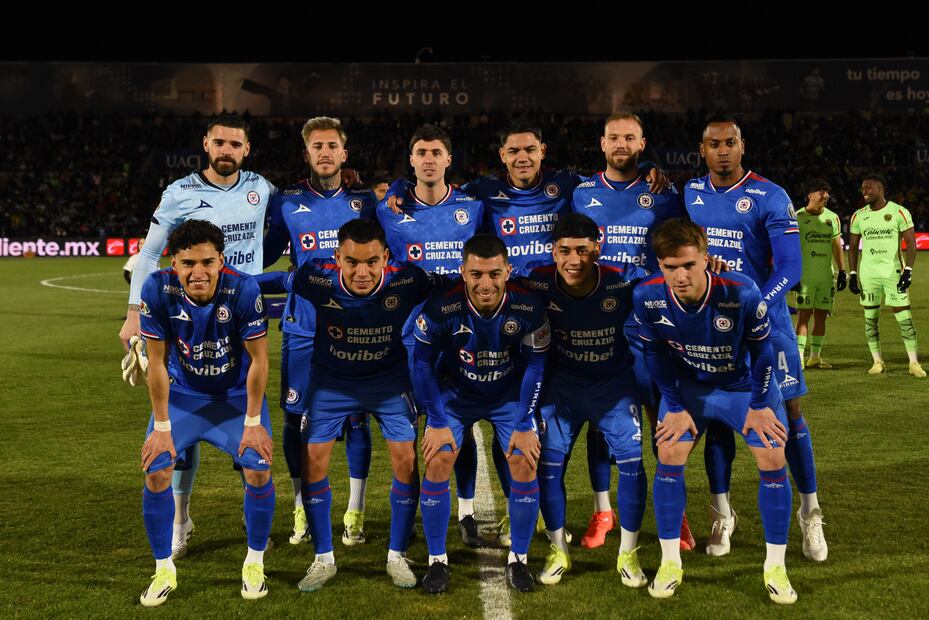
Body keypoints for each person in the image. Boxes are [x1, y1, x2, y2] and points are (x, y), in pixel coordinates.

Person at [120, 114, 277, 561]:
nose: (227, 149)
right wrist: (134, 313)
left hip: (243, 311)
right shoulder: (179, 193)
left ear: (247, 148)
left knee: (249, 414)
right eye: (219, 142)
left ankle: (253, 505)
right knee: (183, 424)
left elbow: (285, 229)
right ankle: (180, 517)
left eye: (236, 143)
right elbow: (151, 252)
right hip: (191, 314)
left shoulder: (261, 189)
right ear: (206, 144)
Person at [261, 218, 438, 592]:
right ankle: (323, 558)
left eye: (372, 262)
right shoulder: (315, 276)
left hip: (388, 382)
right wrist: (231, 287)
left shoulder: (408, 279)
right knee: (314, 461)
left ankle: (397, 554)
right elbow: (278, 282)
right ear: (337, 257)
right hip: (331, 383)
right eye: (353, 262)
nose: (362, 272)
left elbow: (454, 287)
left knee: (406, 460)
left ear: (385, 258)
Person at [685, 115, 827, 562]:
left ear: (742, 146)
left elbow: (790, 268)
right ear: (702, 149)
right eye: (714, 144)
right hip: (713, 330)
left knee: (790, 418)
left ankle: (810, 514)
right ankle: (723, 514)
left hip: (770, 327)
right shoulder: (689, 194)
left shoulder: (770, 195)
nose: (723, 150)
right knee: (718, 421)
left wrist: (758, 303)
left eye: (731, 142)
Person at [633, 218, 797, 604]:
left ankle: (776, 566)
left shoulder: (741, 291)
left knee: (772, 455)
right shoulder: (646, 296)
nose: (681, 275)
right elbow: (654, 353)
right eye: (671, 267)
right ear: (660, 265)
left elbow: (762, 352)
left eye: (689, 265)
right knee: (669, 451)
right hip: (690, 389)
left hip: (743, 388)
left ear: (706, 258)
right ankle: (670, 561)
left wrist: (758, 405)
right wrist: (672, 405)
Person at [572, 111, 693, 551]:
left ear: (642, 145)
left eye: (629, 138)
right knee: (601, 425)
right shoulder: (578, 191)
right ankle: (604, 511)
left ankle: (672, 513)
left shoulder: (663, 192)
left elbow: (686, 242)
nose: (621, 144)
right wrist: (395, 187)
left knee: (663, 422)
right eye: (613, 137)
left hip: (653, 329)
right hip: (598, 327)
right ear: (601, 144)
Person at [137, 220, 274, 606]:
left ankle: (254, 562)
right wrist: (162, 427)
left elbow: (260, 362)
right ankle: (164, 568)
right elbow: (157, 363)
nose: (198, 272)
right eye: (187, 263)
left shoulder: (244, 289)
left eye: (207, 262)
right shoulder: (156, 288)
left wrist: (252, 423)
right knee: (157, 469)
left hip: (234, 396)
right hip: (183, 396)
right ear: (173, 263)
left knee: (258, 466)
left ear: (221, 261)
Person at [262, 116, 377, 548]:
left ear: (344, 154)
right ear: (306, 153)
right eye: (317, 146)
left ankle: (355, 510)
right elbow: (264, 250)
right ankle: (301, 506)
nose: (325, 152)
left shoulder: (367, 202)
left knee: (356, 419)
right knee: (296, 419)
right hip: (304, 330)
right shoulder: (286, 202)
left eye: (333, 145)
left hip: (358, 327)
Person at [413, 233, 549, 594]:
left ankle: (518, 559)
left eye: (493, 274)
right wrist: (437, 422)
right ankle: (437, 562)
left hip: (508, 397)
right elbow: (422, 364)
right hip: (456, 396)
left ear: (507, 271)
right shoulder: (441, 307)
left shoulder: (529, 307)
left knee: (523, 460)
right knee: (439, 459)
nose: (485, 283)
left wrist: (523, 423)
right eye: (476, 274)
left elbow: (536, 367)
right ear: (462, 272)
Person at [519, 214, 648, 586]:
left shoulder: (623, 279)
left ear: (598, 247)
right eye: (564, 251)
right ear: (552, 252)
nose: (573, 259)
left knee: (632, 466)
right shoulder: (534, 279)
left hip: (614, 387)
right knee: (549, 468)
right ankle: (559, 550)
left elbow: (667, 282)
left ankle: (629, 554)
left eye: (582, 250)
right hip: (563, 390)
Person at [376, 124, 485, 545]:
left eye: (436, 152)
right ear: (411, 160)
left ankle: (467, 510)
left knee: (460, 424)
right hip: (406, 335)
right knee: (410, 426)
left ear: (448, 159)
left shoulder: (472, 207)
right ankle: (420, 506)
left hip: (460, 335)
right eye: (421, 152)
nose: (428, 159)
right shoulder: (388, 209)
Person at [849, 173, 924, 376]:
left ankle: (914, 363)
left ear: (880, 189)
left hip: (893, 273)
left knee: (904, 318)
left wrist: (908, 270)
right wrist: (853, 273)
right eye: (863, 188)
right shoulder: (858, 215)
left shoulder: (899, 212)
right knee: (870, 319)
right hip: (869, 274)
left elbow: (911, 243)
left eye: (869, 188)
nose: (864, 191)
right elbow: (853, 247)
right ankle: (877, 362)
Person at [795, 179, 846, 369]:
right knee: (803, 316)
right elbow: (790, 248)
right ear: (809, 195)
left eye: (826, 192)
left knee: (821, 316)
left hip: (826, 277)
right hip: (805, 277)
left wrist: (842, 271)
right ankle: (799, 358)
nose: (825, 195)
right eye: (820, 191)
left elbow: (836, 246)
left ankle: (815, 357)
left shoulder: (833, 217)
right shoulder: (797, 217)